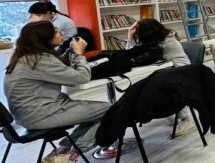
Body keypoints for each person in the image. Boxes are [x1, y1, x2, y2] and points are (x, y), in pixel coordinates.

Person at [4, 21, 110, 162]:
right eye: (56, 31)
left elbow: (58, 67)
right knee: (110, 110)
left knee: (93, 114)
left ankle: (64, 150)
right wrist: (79, 54)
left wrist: (70, 52)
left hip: (30, 114)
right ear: (44, 38)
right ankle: (71, 153)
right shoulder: (39, 59)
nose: (62, 33)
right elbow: (82, 77)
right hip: (41, 115)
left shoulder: (28, 57)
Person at [126, 19, 193, 135]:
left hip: (182, 72)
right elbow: (133, 55)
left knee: (162, 88)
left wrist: (131, 40)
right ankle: (169, 111)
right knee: (147, 86)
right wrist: (130, 37)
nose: (139, 39)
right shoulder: (157, 40)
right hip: (166, 70)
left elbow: (138, 55)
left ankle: (186, 119)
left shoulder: (167, 42)